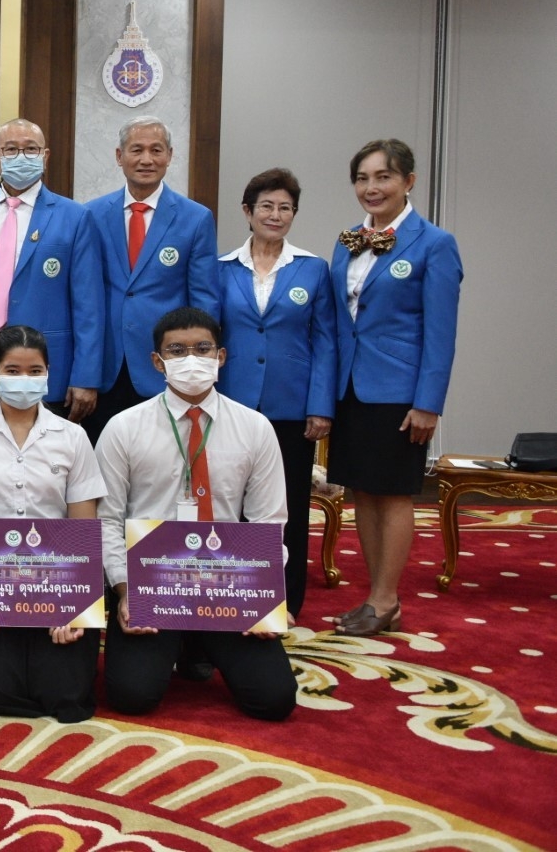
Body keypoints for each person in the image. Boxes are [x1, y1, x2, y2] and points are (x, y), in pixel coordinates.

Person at [96, 307, 296, 721]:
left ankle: (197, 645)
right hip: (151, 585)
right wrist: (125, 591)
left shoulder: (255, 428)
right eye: (177, 350)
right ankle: (186, 645)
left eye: (202, 349)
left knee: (273, 700)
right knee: (132, 696)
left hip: (229, 587)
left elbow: (269, 522)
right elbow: (107, 520)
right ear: (158, 362)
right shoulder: (123, 428)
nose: (191, 359)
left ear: (220, 356)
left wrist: (265, 596)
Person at [0, 324, 106, 721]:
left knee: (63, 694)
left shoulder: (73, 437)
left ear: (48, 374)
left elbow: (83, 531)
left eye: (35, 371)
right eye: (13, 370)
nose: (24, 380)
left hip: (57, 586)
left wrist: (70, 607)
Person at [328, 139, 462, 637]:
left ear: (408, 181)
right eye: (362, 178)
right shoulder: (348, 241)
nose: (372, 187)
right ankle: (377, 597)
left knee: (393, 493)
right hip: (350, 387)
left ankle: (386, 599)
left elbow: (441, 333)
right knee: (362, 492)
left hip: (399, 391)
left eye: (383, 177)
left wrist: (428, 403)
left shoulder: (434, 244)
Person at [217, 168, 336, 619]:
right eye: (266, 206)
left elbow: (326, 343)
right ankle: (233, 590)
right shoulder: (222, 268)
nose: (276, 214)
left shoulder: (313, 269)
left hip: (292, 408)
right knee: (231, 500)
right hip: (231, 404)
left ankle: (285, 598)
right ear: (247, 211)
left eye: (285, 207)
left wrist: (320, 407)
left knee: (288, 505)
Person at [0, 118, 104, 421]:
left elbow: (89, 305)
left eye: (31, 149)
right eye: (11, 150)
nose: (21, 157)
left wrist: (86, 376)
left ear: (45, 156)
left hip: (44, 365)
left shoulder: (75, 217)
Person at [83, 117, 221, 443]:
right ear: (119, 156)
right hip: (105, 367)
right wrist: (83, 373)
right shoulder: (91, 214)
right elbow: (82, 297)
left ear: (170, 156)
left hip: (167, 366)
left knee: (163, 461)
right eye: (137, 150)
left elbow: (204, 300)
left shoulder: (195, 218)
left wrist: (199, 366)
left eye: (156, 150)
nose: (147, 159)